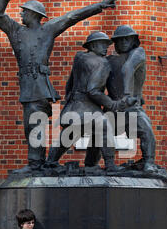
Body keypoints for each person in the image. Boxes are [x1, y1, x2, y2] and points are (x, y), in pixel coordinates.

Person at [0, 0, 118, 174]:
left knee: (36, 123)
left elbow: (71, 16)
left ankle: (36, 164)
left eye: (24, 11)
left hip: (39, 86)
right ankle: (39, 162)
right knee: (30, 125)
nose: (21, 14)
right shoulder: (15, 30)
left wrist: (99, 6)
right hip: (27, 86)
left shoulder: (47, 29)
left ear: (34, 14)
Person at [46, 32, 131, 172]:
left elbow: (69, 84)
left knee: (72, 133)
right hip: (88, 105)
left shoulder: (79, 58)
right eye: (102, 45)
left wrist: (70, 99)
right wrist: (112, 104)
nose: (106, 48)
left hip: (73, 105)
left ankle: (51, 161)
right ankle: (109, 164)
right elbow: (93, 90)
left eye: (107, 45)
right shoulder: (103, 63)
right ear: (92, 45)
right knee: (104, 127)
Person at [85, 25, 156, 172]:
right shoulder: (108, 60)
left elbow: (128, 68)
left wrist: (128, 96)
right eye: (119, 40)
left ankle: (149, 162)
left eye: (127, 39)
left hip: (132, 107)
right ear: (115, 43)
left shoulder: (138, 53)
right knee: (99, 132)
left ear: (133, 41)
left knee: (146, 130)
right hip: (114, 107)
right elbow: (95, 85)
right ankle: (91, 164)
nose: (123, 42)